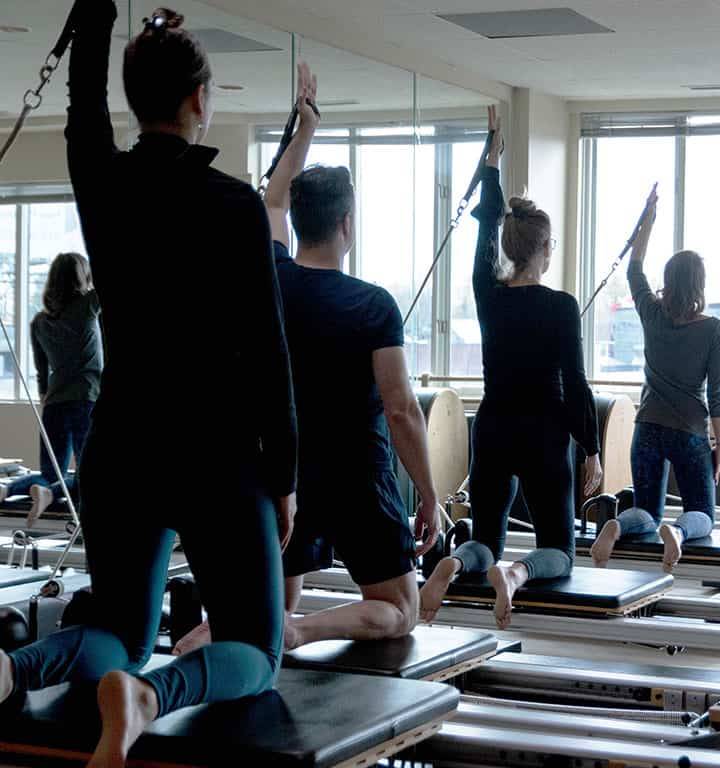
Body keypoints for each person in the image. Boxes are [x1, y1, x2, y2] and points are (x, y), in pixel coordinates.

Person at [0, 7, 299, 767]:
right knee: (257, 650)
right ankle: (150, 698)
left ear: (137, 100)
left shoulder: (104, 186)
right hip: (219, 462)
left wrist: (97, 13)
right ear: (200, 100)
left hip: (124, 451)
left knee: (124, 636)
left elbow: (82, 109)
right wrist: (285, 477)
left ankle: (9, 667)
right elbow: (269, 356)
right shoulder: (235, 206)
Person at [171, 64, 442, 656]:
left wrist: (305, 130)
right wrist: (429, 495)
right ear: (347, 225)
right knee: (401, 608)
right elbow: (400, 410)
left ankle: (230, 640)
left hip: (282, 472)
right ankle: (298, 632)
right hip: (357, 476)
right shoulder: (372, 305)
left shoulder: (271, 277)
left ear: (297, 221)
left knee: (267, 606)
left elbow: (272, 195)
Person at [419, 106, 602, 630]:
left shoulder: (488, 296)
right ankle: (519, 574)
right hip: (545, 437)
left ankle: (452, 564)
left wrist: (491, 160)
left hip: (494, 428)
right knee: (560, 552)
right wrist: (590, 449)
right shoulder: (561, 306)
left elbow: (483, 230)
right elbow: (577, 386)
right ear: (545, 249)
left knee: (482, 538)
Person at [589, 187, 720, 572]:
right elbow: (717, 394)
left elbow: (634, 268)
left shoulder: (652, 312)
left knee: (645, 511)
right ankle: (679, 533)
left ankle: (616, 524)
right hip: (691, 433)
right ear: (699, 285)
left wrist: (647, 216)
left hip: (647, 427)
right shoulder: (714, 329)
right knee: (703, 512)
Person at [0, 252, 101, 529]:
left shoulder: (39, 322)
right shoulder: (87, 306)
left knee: (48, 472)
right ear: (83, 277)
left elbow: (42, 376)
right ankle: (50, 493)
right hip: (86, 401)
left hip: (54, 404)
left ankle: (7, 489)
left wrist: (48, 396)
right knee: (91, 477)